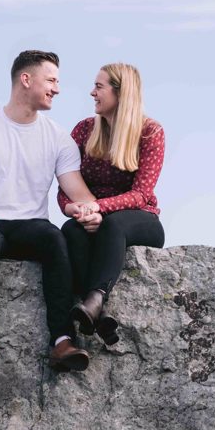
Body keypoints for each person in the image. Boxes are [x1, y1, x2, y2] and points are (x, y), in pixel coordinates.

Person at [0, 50, 99, 374]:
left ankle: (61, 342)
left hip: (30, 226)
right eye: (52, 80)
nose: (57, 88)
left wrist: (92, 210)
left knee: (54, 239)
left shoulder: (58, 138)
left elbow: (78, 192)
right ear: (26, 79)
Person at [58, 63, 165, 346]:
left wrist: (99, 208)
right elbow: (64, 188)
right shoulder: (83, 131)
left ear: (121, 92)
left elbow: (141, 194)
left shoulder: (150, 132)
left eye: (99, 86)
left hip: (139, 218)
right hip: (90, 214)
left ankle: (94, 299)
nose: (92, 92)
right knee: (70, 231)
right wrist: (75, 209)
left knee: (114, 225)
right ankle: (97, 309)